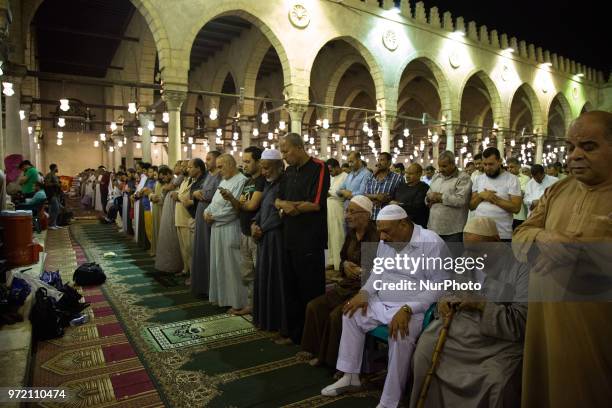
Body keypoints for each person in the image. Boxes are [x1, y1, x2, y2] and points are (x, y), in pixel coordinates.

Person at [514, 111, 612, 407]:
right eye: (570, 147)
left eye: (589, 146)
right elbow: (521, 237)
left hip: (594, 337)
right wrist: (544, 238)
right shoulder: (558, 190)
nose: (575, 155)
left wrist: (577, 250)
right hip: (543, 333)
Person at [321, 205, 446, 408]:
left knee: (399, 335)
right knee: (351, 314)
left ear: (404, 224)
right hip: (381, 302)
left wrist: (408, 309)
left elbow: (440, 286)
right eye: (380, 230)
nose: (382, 236)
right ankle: (351, 375)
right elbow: (378, 273)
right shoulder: (386, 240)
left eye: (387, 230)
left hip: (414, 309)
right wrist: (364, 293)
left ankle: (390, 401)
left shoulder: (431, 242)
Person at [410, 216, 528, 408]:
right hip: (461, 330)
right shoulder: (468, 258)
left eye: (478, 251)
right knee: (425, 350)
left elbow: (521, 322)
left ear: (496, 242)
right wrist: (444, 301)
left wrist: (482, 304)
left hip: (497, 343)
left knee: (497, 380)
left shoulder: (521, 267)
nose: (472, 257)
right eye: (468, 251)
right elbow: (452, 288)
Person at [301, 195, 379, 368]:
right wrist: (345, 264)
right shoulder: (352, 234)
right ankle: (314, 350)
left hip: (364, 291)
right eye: (347, 211)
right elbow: (343, 256)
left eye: (352, 212)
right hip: (346, 286)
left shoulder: (375, 236)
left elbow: (379, 272)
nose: (347, 216)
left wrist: (359, 271)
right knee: (314, 306)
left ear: (366, 214)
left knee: (337, 315)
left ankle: (334, 362)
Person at [276, 133, 330, 344]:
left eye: (286, 150)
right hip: (289, 236)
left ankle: (312, 339)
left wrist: (290, 206)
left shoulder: (319, 167)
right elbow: (278, 199)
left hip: (309, 238)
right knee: (291, 288)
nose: (284, 156)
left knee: (310, 289)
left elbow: (315, 203)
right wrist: (287, 206)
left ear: (299, 148)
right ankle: (294, 333)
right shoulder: (289, 171)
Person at [217, 147, 265, 314]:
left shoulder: (262, 181)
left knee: (260, 272)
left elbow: (252, 206)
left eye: (247, 161)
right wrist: (232, 199)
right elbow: (240, 209)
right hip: (244, 231)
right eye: (243, 161)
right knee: (248, 273)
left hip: (257, 234)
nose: (244, 165)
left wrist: (236, 200)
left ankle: (263, 308)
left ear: (259, 162)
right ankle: (252, 306)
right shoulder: (248, 181)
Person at [206, 154, 249, 310]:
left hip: (230, 228)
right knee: (220, 264)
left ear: (231, 164)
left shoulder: (241, 181)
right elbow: (214, 203)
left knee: (233, 267)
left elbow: (233, 210)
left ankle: (238, 301)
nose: (218, 170)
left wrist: (214, 217)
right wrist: (207, 212)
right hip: (217, 228)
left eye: (221, 166)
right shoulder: (224, 180)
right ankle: (224, 298)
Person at [252, 149, 286, 332]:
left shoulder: (284, 184)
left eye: (266, 168)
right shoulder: (268, 184)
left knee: (274, 279)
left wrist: (262, 228)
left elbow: (280, 215)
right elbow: (263, 207)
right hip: (264, 236)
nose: (263, 172)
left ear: (277, 167)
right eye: (262, 168)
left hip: (275, 238)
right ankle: (263, 319)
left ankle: (274, 321)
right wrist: (254, 224)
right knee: (263, 277)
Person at [469, 147, 522, 242]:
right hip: (480, 233)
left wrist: (494, 199)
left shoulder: (512, 179)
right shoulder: (478, 179)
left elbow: (516, 208)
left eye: (491, 164)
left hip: (502, 234)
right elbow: (472, 206)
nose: (487, 168)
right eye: (485, 164)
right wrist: (481, 196)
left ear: (500, 161)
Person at [191, 151, 222, 297]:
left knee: (208, 249)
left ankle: (210, 286)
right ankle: (202, 284)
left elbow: (208, 195)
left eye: (209, 159)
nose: (206, 161)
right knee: (201, 248)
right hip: (201, 212)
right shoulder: (209, 175)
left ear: (217, 160)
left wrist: (198, 193)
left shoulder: (220, 176)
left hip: (210, 215)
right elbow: (199, 192)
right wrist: (196, 193)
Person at [426, 151, 472, 242]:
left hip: (452, 230)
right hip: (433, 226)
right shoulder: (436, 177)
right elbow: (428, 194)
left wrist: (440, 197)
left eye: (444, 166)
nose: (441, 169)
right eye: (440, 166)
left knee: (452, 256)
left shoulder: (463, 178)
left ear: (453, 164)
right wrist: (428, 199)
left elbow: (461, 200)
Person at [155, 161, 184, 274]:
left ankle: (175, 264)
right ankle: (166, 263)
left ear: (169, 174)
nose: (163, 180)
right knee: (166, 234)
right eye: (162, 179)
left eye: (164, 177)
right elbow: (162, 198)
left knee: (173, 235)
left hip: (174, 208)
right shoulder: (167, 185)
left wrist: (167, 188)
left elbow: (173, 187)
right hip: (167, 209)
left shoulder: (177, 180)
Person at [364, 152, 404, 220]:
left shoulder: (398, 178)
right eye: (378, 160)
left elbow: (401, 199)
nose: (379, 163)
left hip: (388, 218)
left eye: (382, 160)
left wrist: (385, 200)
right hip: (371, 217)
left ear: (389, 163)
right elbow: (364, 194)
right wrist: (376, 196)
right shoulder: (371, 177)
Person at [392, 163, 430, 227]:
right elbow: (393, 200)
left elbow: (417, 207)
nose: (407, 176)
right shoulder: (401, 187)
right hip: (400, 224)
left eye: (411, 174)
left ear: (419, 174)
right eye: (406, 173)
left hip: (417, 225)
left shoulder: (424, 188)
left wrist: (398, 205)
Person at [326, 158, 348, 271]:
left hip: (339, 208)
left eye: (331, 170)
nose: (330, 173)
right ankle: (332, 260)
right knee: (330, 235)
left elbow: (344, 193)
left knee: (339, 235)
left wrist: (329, 193)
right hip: (329, 208)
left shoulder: (345, 177)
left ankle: (340, 262)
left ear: (337, 167)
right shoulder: (330, 177)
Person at [507, 157, 530, 230]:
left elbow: (521, 194)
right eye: (508, 167)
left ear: (519, 166)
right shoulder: (505, 178)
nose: (509, 169)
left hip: (520, 214)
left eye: (512, 167)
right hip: (507, 214)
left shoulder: (525, 178)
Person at [44, 164, 63, 230]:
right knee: (54, 209)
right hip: (51, 194)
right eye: (57, 167)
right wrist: (56, 184)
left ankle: (54, 224)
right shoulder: (49, 175)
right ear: (54, 168)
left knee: (57, 209)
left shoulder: (54, 175)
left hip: (56, 194)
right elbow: (46, 184)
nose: (58, 168)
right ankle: (50, 224)